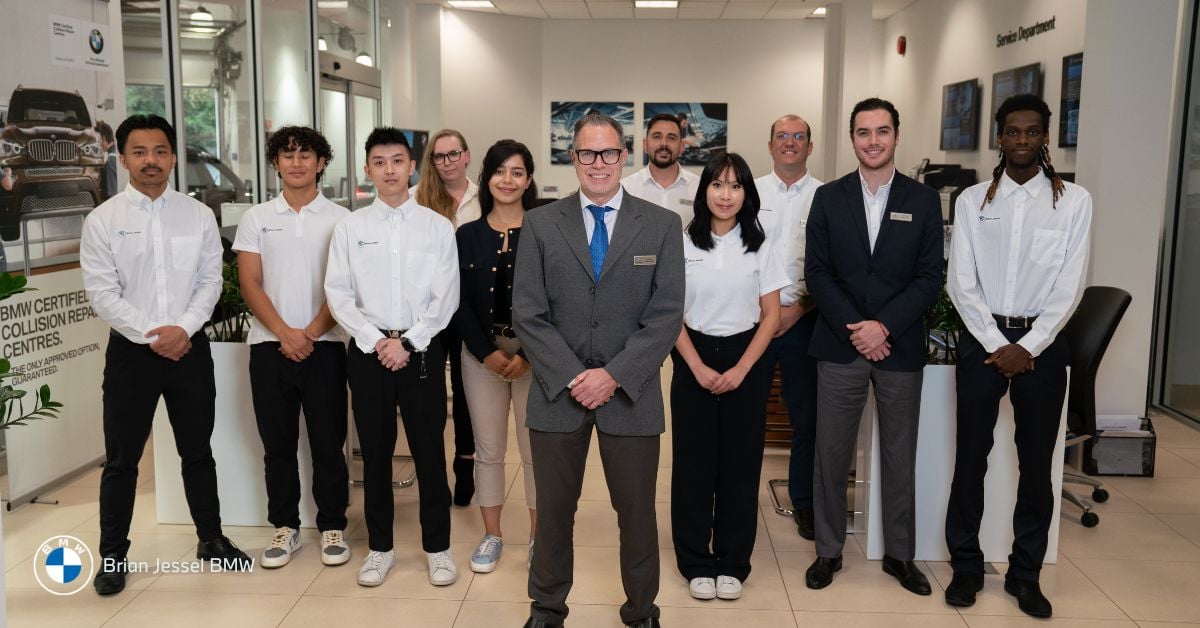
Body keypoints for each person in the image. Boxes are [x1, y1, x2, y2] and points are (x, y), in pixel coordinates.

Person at [513, 112, 684, 628]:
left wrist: (612, 375)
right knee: (554, 515)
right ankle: (546, 609)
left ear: (624, 155)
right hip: (556, 393)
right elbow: (528, 312)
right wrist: (572, 375)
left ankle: (641, 609)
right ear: (573, 158)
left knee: (635, 515)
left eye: (609, 152)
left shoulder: (661, 225)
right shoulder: (542, 224)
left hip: (629, 394)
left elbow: (666, 315)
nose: (599, 163)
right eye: (587, 153)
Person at [80, 114, 251, 596]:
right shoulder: (104, 220)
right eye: (139, 151)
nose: (150, 160)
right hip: (132, 354)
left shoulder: (197, 215)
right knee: (122, 459)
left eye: (160, 151)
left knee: (198, 451)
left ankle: (211, 539)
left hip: (190, 349)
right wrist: (154, 335)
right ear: (123, 157)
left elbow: (210, 282)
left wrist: (184, 330)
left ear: (173, 156)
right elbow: (101, 292)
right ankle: (112, 553)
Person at [944, 94, 1091, 619]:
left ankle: (1025, 574)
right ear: (999, 138)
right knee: (970, 460)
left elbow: (1070, 286)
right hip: (984, 343)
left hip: (1043, 348)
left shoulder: (1074, 202)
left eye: (1032, 131)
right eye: (1013, 131)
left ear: (1046, 137)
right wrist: (995, 343)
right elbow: (961, 282)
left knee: (1036, 466)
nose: (1022, 139)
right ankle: (965, 565)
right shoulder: (972, 201)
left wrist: (1027, 347)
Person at [803, 98, 943, 594]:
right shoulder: (828, 197)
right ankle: (828, 551)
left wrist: (883, 326)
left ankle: (900, 556)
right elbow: (816, 273)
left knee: (900, 454)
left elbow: (930, 277)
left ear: (896, 136)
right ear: (852, 139)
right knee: (831, 453)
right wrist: (857, 327)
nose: (873, 141)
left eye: (882, 131)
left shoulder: (923, 201)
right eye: (863, 133)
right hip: (841, 346)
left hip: (898, 347)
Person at [324, 127, 460, 588]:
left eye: (397, 161)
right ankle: (380, 548)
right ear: (367, 169)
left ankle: (438, 549)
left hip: (421, 350)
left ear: (411, 167)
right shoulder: (350, 226)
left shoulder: (438, 227)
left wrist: (410, 341)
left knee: (428, 454)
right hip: (368, 351)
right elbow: (338, 293)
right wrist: (374, 339)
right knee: (376, 454)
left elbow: (446, 296)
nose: (389, 170)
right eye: (379, 162)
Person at [233, 125, 351, 570]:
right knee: (277, 444)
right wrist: (285, 332)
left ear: (321, 163)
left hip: (325, 347)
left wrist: (311, 333)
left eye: (306, 155)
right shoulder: (257, 218)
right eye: (287, 154)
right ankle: (284, 527)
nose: (297, 162)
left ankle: (333, 525)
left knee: (327, 442)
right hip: (269, 346)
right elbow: (249, 281)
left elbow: (342, 288)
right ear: (276, 163)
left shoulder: (341, 219)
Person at [670, 152, 786, 602]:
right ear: (704, 192)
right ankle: (696, 560)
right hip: (692, 354)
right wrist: (696, 366)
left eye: (735, 186)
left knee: (739, 466)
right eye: (717, 185)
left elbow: (772, 314)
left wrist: (741, 369)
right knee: (694, 465)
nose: (725, 194)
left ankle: (734, 562)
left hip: (747, 358)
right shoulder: (682, 243)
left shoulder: (761, 243)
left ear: (746, 194)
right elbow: (670, 313)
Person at [454, 139, 538, 574]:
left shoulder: (546, 229)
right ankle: (493, 536)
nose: (508, 180)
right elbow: (459, 302)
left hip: (535, 358)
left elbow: (555, 299)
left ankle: (539, 540)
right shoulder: (466, 235)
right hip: (480, 357)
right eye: (500, 171)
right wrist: (486, 353)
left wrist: (527, 352)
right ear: (487, 177)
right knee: (488, 450)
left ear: (529, 180)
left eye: (517, 172)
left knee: (534, 451)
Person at [754, 114, 823, 540]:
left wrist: (801, 307)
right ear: (771, 144)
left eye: (799, 137)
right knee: (745, 414)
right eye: (783, 135)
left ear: (810, 147)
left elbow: (831, 263)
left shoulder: (828, 196)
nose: (791, 143)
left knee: (806, 417)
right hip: (754, 319)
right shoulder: (749, 193)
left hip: (803, 319)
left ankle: (806, 502)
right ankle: (737, 498)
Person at [414, 128, 480, 506]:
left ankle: (465, 462)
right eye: (440, 156)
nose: (447, 162)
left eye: (454, 154)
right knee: (432, 394)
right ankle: (433, 468)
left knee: (469, 388)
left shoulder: (484, 197)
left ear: (467, 155)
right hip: (430, 309)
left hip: (470, 307)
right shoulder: (417, 200)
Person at [621, 113, 700, 226]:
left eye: (671, 138)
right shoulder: (626, 189)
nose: (664, 143)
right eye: (657, 136)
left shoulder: (699, 188)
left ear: (682, 146)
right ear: (645, 144)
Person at [95, 120, 118, 200]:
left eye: (98, 140)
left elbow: (113, 195)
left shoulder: (110, 162)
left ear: (104, 138)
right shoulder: (118, 155)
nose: (98, 144)